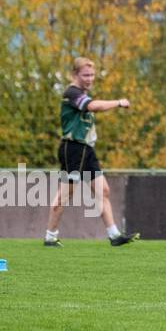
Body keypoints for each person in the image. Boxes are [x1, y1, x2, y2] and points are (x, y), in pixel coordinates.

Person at [44, 57, 139, 248]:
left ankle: (114, 235)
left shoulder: (81, 92)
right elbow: (93, 106)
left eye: (92, 75)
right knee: (65, 194)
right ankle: (50, 236)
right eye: (85, 75)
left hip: (86, 149)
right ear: (75, 75)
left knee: (103, 190)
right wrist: (118, 102)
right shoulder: (71, 93)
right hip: (73, 149)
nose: (90, 79)